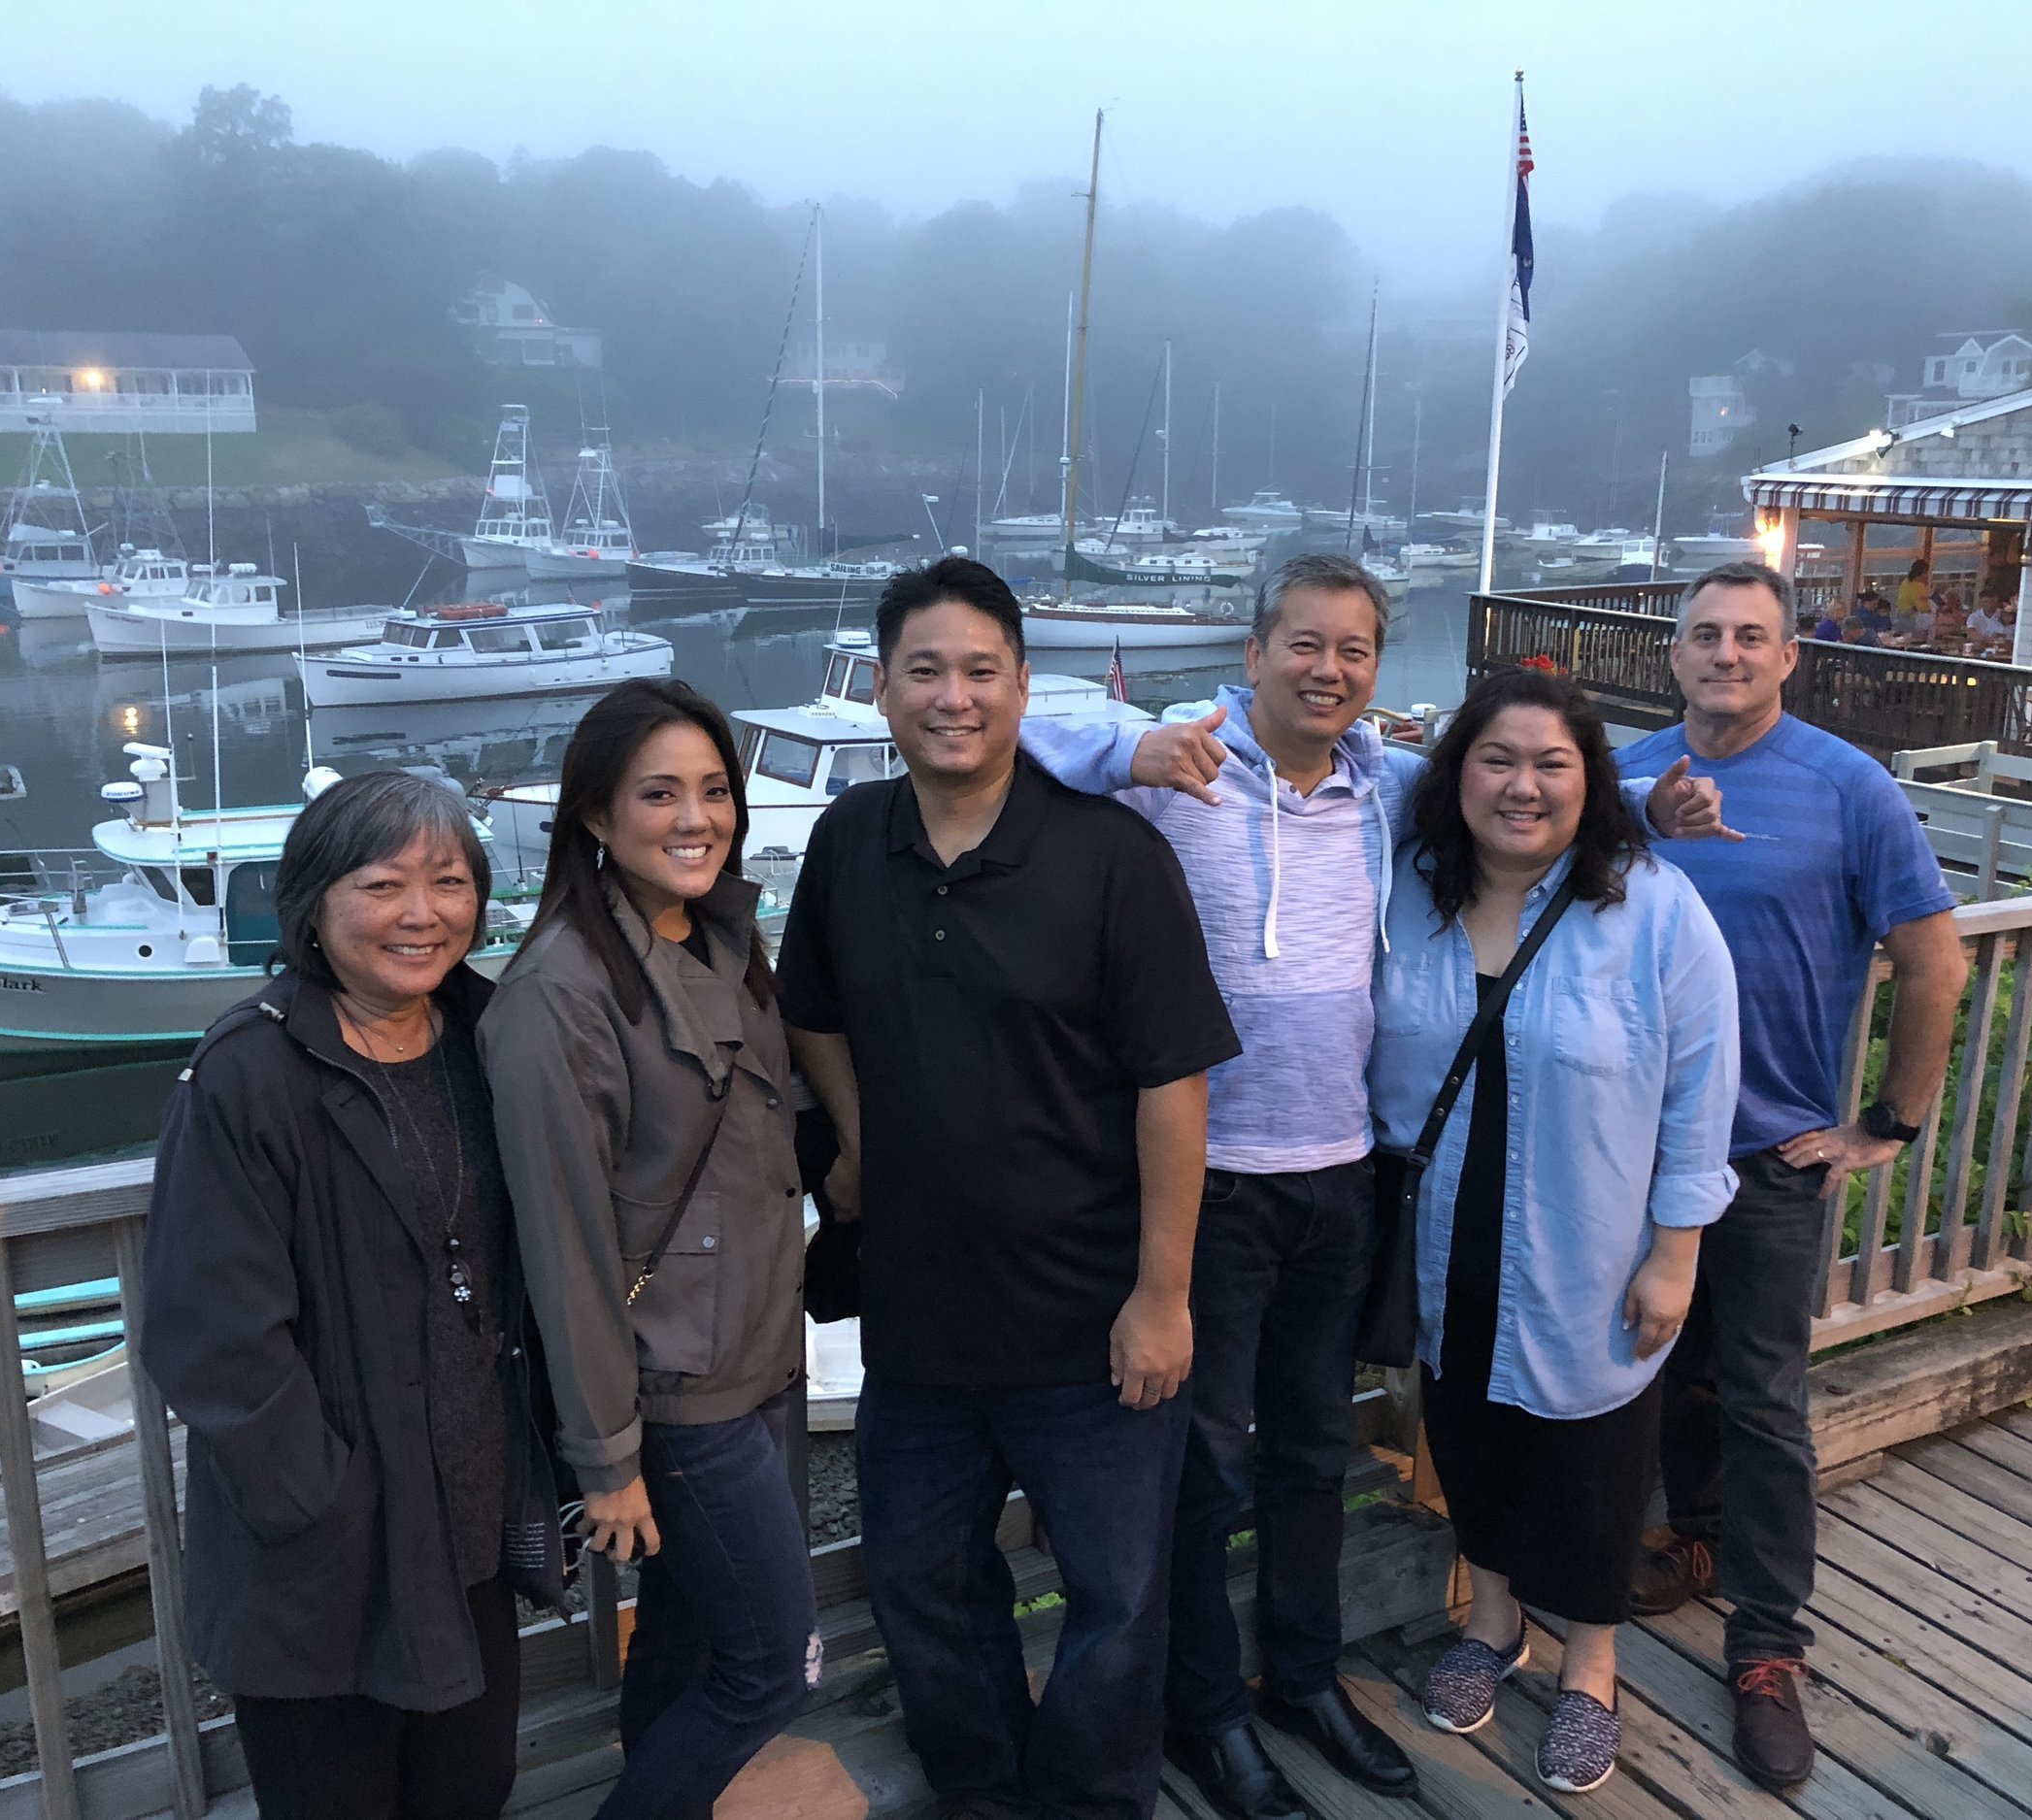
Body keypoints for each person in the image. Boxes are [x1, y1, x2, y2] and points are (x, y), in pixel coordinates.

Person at [1019, 554, 1734, 1820]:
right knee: (1210, 1471)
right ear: (1252, 653)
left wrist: (1644, 808)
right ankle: (1209, 1704)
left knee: (1306, 1457)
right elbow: (1019, 716)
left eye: (1354, 649)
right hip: (1209, 1189)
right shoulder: (1178, 767)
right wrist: (1130, 746)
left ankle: (1301, 1675)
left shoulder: (1383, 787)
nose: (1329, 669)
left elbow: (1525, 779)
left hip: (1341, 1183)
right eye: (1305, 643)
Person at [779, 556, 1243, 1820]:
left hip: (1092, 1320)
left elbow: (1172, 1082)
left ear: (1023, 686)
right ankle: (984, 1786)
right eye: (924, 669)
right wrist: (862, 1133)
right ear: (882, 688)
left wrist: (1162, 1291)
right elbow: (807, 1008)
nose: (954, 694)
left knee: (1115, 1594)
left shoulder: (1108, 856)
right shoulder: (845, 840)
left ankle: (1092, 1797)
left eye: (982, 669)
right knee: (925, 1582)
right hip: (919, 1316)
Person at [1616, 560, 1967, 1791]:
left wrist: (1888, 1123)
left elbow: (1933, 960)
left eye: (1749, 637)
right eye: (1703, 635)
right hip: (1625, 1151)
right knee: (1646, 1377)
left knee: (1764, 1403)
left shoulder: (1848, 787)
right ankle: (1692, 1544)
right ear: (1672, 652)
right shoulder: (1623, 778)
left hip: (1768, 1155)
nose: (1724, 654)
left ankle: (1768, 1645)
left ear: (1786, 657)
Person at [142, 770, 553, 1820]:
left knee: (472, 1791)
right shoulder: (251, 1073)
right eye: (383, 884)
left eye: (451, 881)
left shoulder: (485, 1037)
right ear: (315, 903)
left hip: (462, 1532)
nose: (422, 914)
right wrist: (324, 1506)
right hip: (326, 1564)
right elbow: (212, 1338)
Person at [1375, 668, 1739, 1797]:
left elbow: (1701, 1084)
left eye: (1551, 765)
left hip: (1590, 1230)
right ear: (1454, 774)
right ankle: (1490, 1621)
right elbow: (1296, 753)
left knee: (1592, 1452)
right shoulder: (1412, 885)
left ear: (1592, 784)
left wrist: (1676, 1248)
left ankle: (1591, 1666)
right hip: (1445, 1223)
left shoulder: (1651, 906)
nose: (1520, 787)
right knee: (1468, 1427)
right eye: (1495, 760)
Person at [479, 678, 815, 1818]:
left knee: (679, 1643)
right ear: (593, 816)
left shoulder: (717, 933)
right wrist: (606, 1456)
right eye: (659, 793)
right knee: (771, 1665)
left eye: (715, 791)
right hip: (674, 1395)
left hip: (756, 1361)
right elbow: (563, 1250)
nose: (696, 818)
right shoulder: (554, 998)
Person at [1894, 559, 1932, 634]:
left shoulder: (1904, 583)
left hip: (1901, 617)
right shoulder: (1919, 587)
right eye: (1927, 572)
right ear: (1923, 572)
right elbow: (1923, 608)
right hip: (1914, 620)